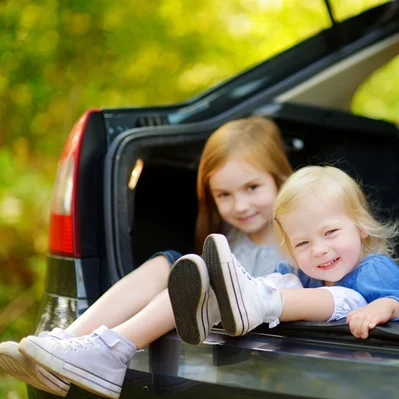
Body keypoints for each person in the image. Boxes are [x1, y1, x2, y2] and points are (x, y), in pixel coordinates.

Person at [0, 116, 293, 399]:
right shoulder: (231, 235)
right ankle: (64, 344)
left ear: (281, 179)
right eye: (223, 195)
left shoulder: (300, 240)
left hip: (251, 338)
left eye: (252, 188)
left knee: (191, 280)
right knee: (169, 262)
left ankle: (110, 353)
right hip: (215, 329)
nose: (240, 205)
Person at [173, 165, 399, 346]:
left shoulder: (374, 269)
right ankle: (218, 303)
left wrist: (386, 306)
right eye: (303, 242)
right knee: (282, 281)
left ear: (360, 227)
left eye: (330, 232)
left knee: (344, 296)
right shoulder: (301, 273)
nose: (319, 250)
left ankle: (256, 301)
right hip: (321, 357)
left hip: (370, 362)